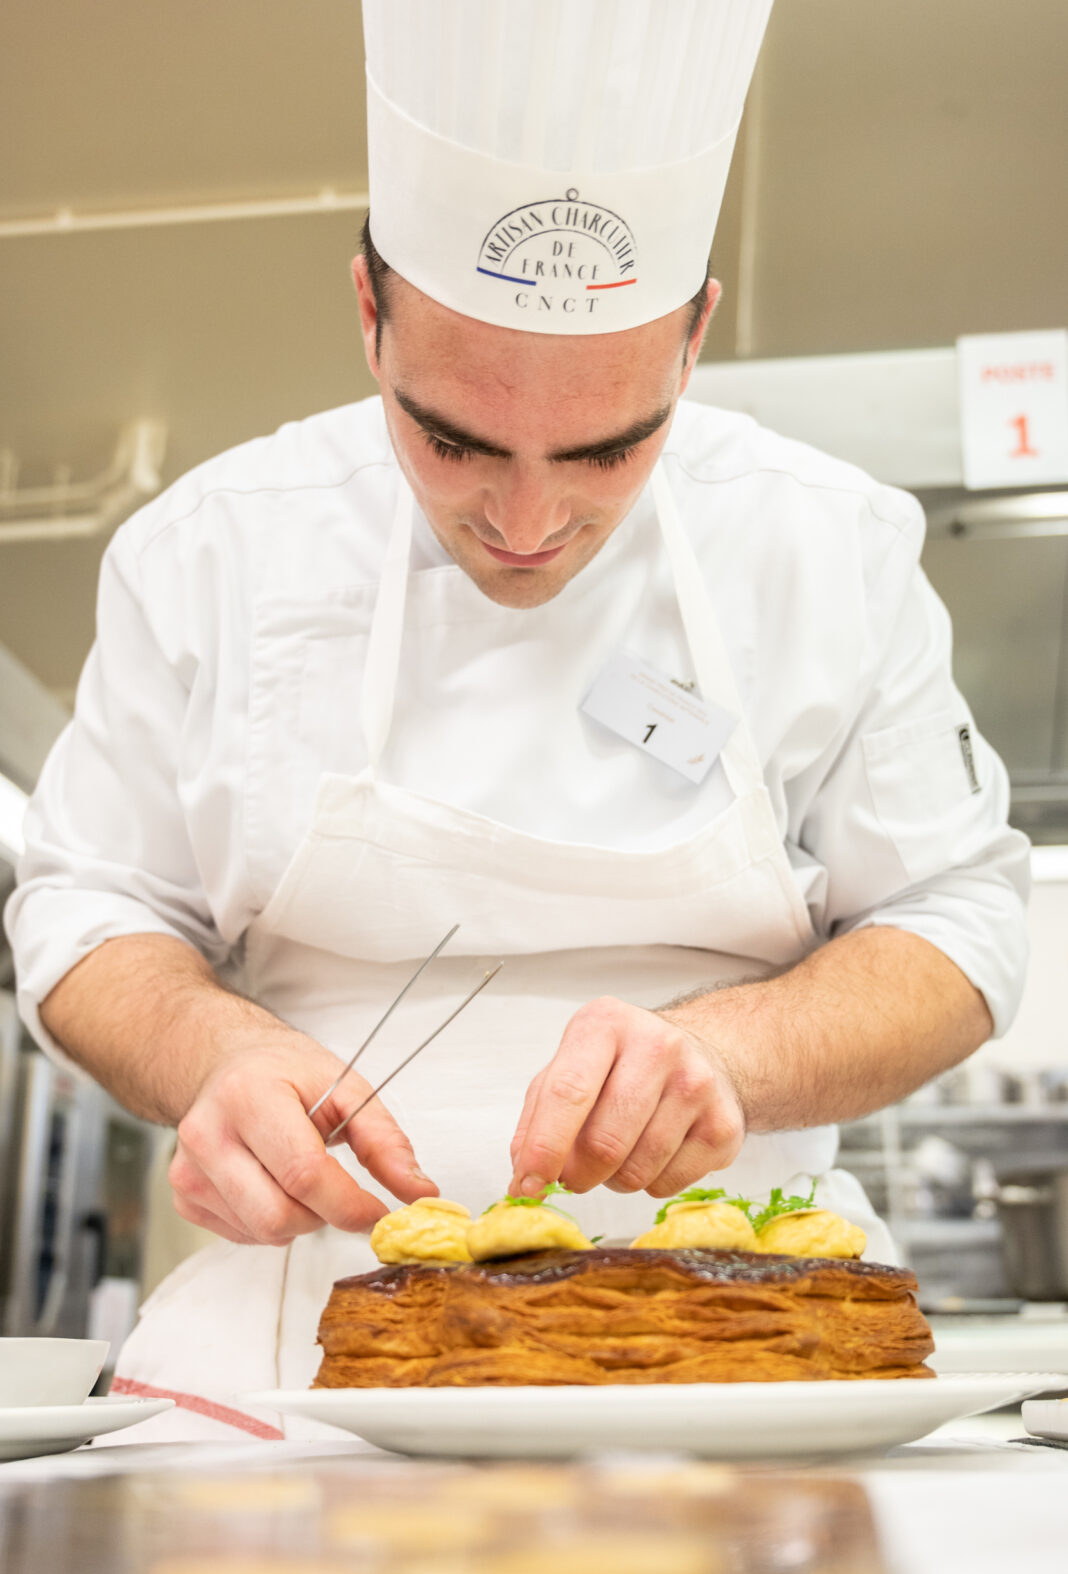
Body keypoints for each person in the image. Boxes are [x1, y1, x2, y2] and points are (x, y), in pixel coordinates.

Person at [5, 0, 1028, 1440]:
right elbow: (86, 906)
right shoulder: (210, 552)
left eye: (613, 444)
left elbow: (962, 921)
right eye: (454, 439)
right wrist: (210, 1056)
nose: (532, 522)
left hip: (746, 1366)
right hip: (295, 1360)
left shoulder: (826, 547)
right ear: (368, 314)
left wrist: (733, 1052)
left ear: (696, 335)